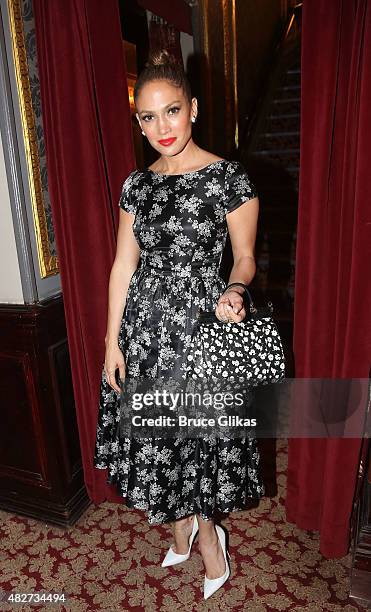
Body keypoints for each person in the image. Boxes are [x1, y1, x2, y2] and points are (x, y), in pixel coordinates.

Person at [93, 49, 264, 600]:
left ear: (192, 108)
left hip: (198, 331)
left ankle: (210, 538)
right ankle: (179, 526)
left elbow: (244, 257)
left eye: (171, 111)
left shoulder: (227, 179)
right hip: (145, 332)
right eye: (147, 116)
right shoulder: (135, 187)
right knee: (155, 438)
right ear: (137, 121)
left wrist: (235, 290)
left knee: (192, 441)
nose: (161, 127)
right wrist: (110, 341)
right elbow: (123, 265)